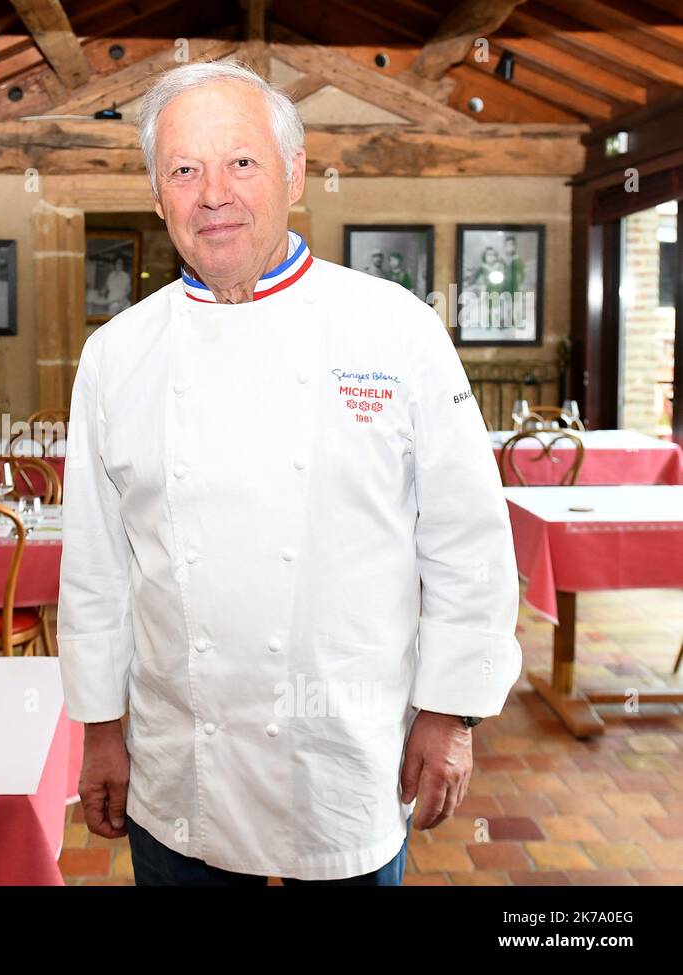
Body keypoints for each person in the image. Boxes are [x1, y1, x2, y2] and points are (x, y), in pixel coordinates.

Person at [57, 60, 521, 886]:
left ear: (294, 173)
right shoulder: (115, 354)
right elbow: (95, 567)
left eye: (241, 162)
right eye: (184, 170)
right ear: (159, 195)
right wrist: (99, 726)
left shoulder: (396, 330)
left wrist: (450, 712)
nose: (213, 193)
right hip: (180, 769)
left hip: (343, 755)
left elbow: (467, 538)